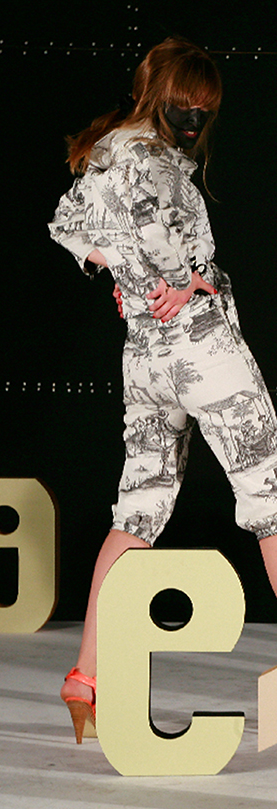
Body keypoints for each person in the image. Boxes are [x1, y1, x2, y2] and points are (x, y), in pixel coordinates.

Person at [48, 36, 277, 744]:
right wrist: (181, 282)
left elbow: (64, 226)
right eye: (186, 104)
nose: (195, 119)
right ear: (157, 95)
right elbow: (163, 243)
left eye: (205, 108)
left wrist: (129, 280)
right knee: (271, 495)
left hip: (146, 359)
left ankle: (85, 676)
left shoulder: (108, 151)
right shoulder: (153, 161)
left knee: (140, 509)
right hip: (204, 350)